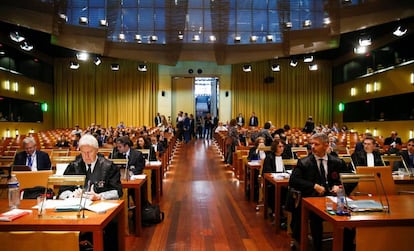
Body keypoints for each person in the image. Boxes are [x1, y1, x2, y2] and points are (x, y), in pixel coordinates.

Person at [288, 133, 351, 250]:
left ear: (326, 145)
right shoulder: (304, 162)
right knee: (316, 218)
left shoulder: (337, 162)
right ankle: (317, 247)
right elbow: (293, 180)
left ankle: (346, 247)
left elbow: (351, 179)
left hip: (334, 199)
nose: (312, 147)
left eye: (316, 144)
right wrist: (314, 186)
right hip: (313, 199)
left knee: (348, 217)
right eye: (311, 144)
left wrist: (340, 186)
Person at [61, 134, 122, 251]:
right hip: (76, 212)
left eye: (90, 152)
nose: (86, 156)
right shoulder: (74, 166)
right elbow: (62, 191)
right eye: (83, 152)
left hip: (102, 212)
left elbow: (117, 192)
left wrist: (99, 196)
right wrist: (72, 195)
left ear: (97, 150)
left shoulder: (109, 166)